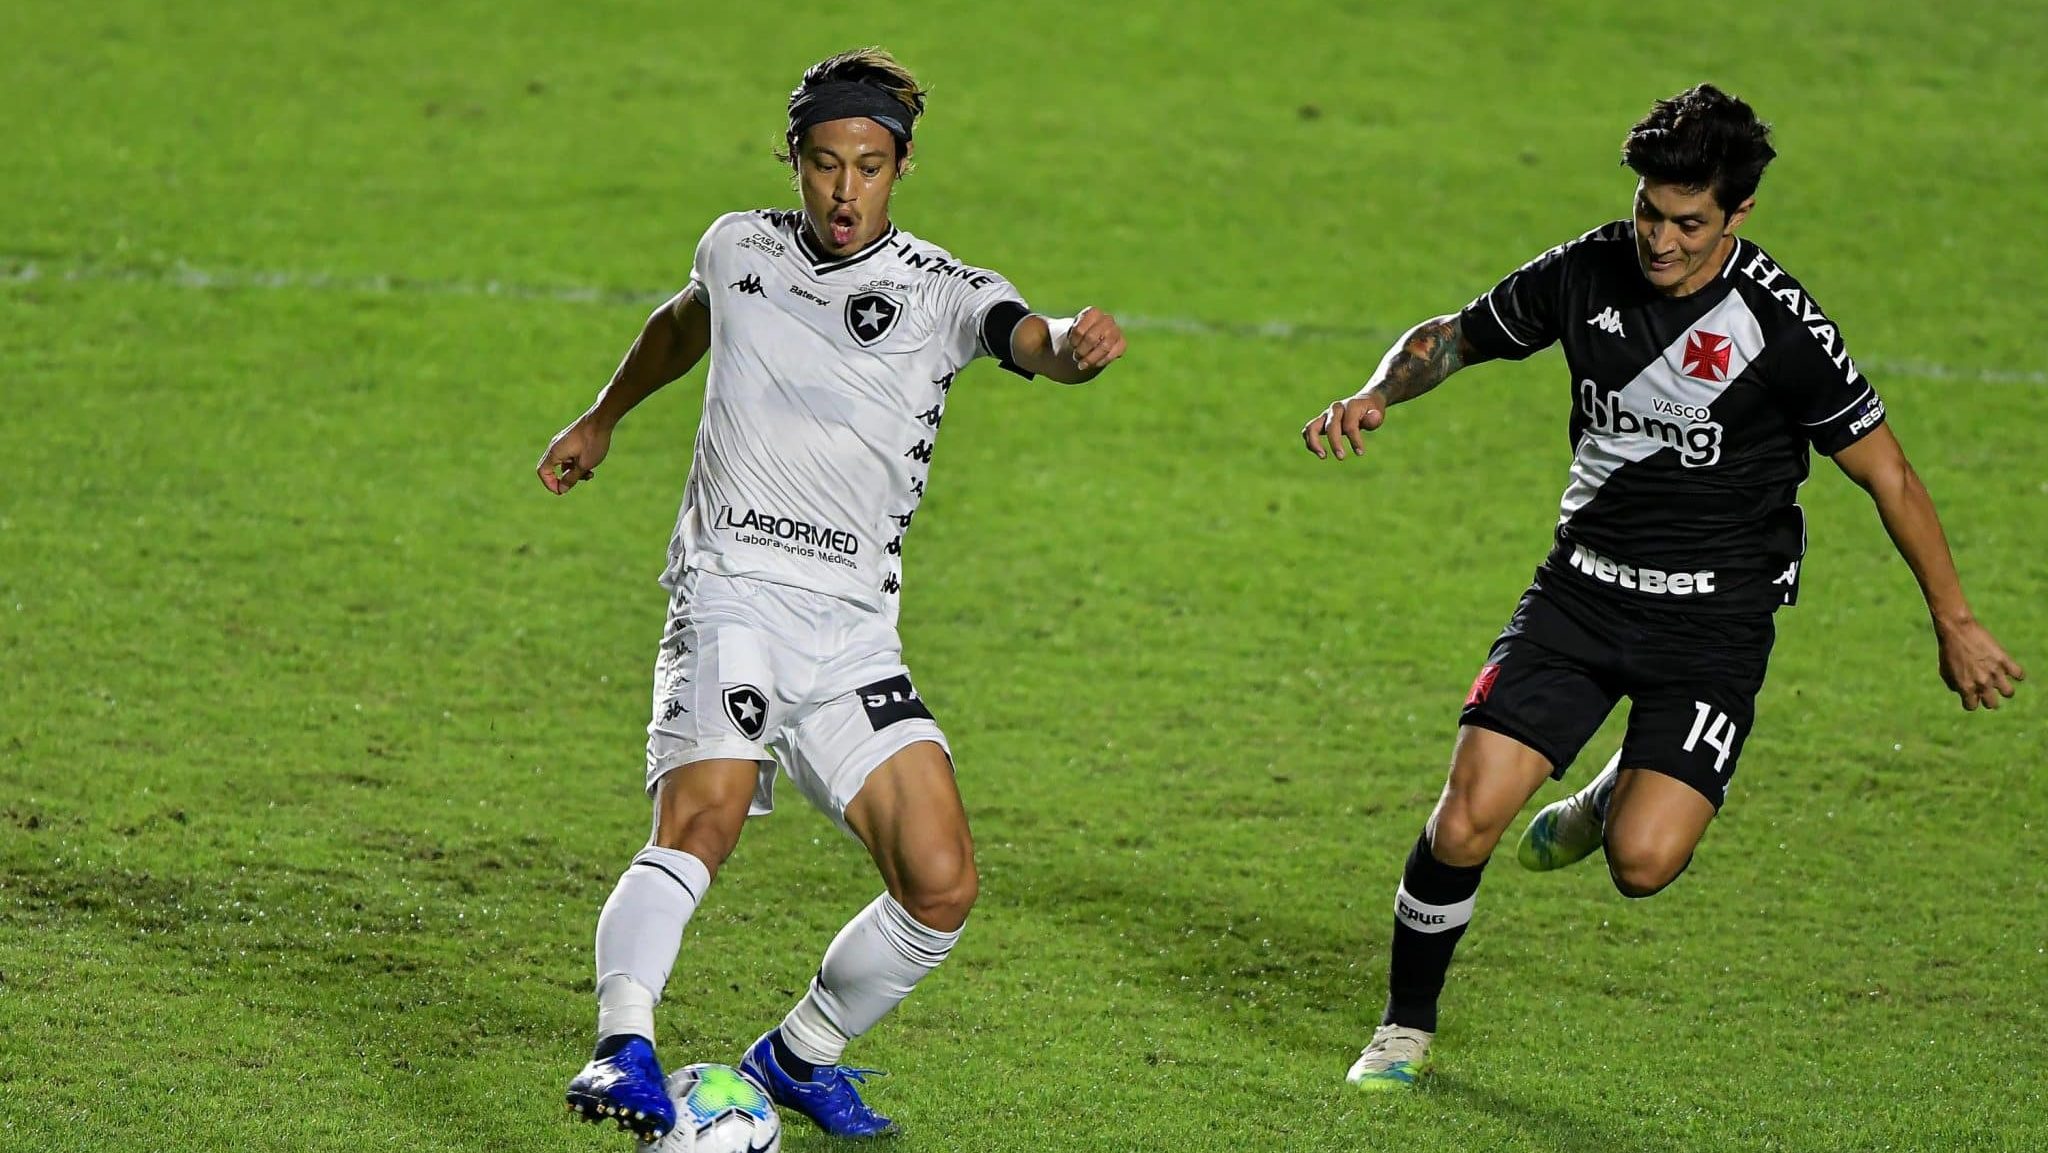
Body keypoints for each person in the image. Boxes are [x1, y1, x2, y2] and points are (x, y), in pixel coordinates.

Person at [1299, 83, 2024, 1090]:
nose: (1661, 239)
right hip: (1582, 593)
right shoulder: (1585, 270)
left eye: (1688, 222)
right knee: (1465, 817)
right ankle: (1402, 1028)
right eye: (1650, 211)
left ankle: (1610, 794)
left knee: (1642, 863)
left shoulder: (1778, 326)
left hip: (1713, 624)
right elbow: (1456, 334)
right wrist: (1377, 392)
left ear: (1737, 215)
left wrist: (1956, 620)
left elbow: (1888, 474)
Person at [537, 47, 1126, 1140]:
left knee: (940, 882)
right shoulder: (738, 247)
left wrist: (1074, 351)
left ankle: (798, 1056)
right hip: (732, 593)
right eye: (823, 164)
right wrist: (602, 416)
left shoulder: (944, 290)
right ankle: (622, 1045)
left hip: (852, 632)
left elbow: (1030, 340)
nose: (845, 190)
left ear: (900, 167)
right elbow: (685, 321)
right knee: (705, 816)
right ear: (795, 161)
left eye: (869, 166)